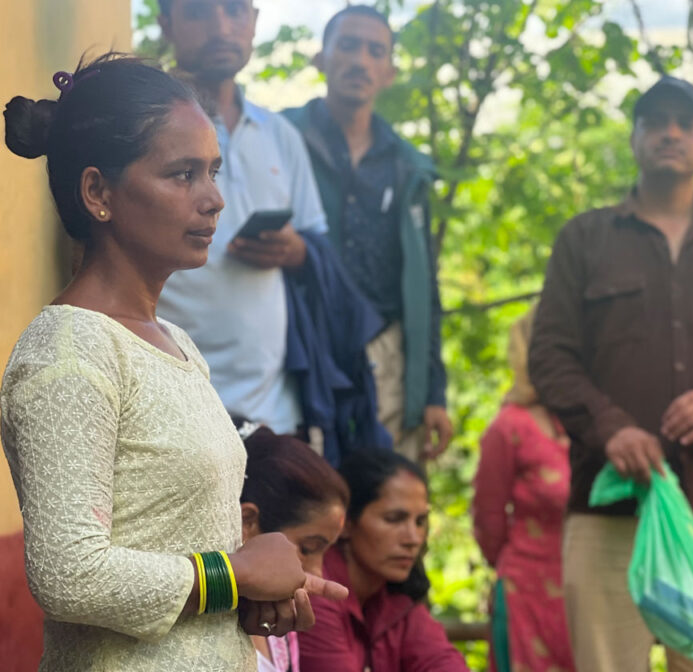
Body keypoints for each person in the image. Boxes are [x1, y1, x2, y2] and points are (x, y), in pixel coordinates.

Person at [0, 54, 345, 671]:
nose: (213, 199)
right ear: (98, 192)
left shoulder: (175, 344)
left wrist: (243, 597)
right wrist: (233, 576)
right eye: (182, 174)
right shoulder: (69, 353)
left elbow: (174, 552)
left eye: (213, 171)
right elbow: (67, 573)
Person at [529, 76, 693, 672]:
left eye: (686, 123)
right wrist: (610, 428)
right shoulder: (585, 239)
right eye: (655, 122)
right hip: (608, 507)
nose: (670, 133)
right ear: (635, 138)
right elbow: (550, 356)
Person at [282, 5, 452, 461]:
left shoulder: (406, 166)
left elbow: (424, 289)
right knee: (304, 494)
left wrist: (434, 391)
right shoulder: (281, 138)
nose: (361, 60)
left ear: (390, 72)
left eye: (376, 51)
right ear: (322, 58)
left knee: (387, 492)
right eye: (348, 45)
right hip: (299, 341)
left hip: (387, 351)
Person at [155, 0, 329, 436]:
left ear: (253, 21)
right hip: (174, 409)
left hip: (274, 415)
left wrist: (296, 251)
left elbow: (317, 246)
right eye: (198, 12)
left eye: (234, 10)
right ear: (166, 25)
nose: (220, 26)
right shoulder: (144, 133)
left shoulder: (281, 137)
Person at [299, 450, 469, 671]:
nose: (413, 538)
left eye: (420, 521)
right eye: (394, 519)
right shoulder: (317, 591)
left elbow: (441, 661)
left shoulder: (394, 595)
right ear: (345, 523)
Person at [473, 308, 575, 672]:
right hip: (528, 594)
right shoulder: (509, 428)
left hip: (590, 588)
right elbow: (488, 518)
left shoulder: (590, 423)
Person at [240, 425, 350, 672]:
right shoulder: (203, 613)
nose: (318, 572)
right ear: (248, 521)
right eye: (308, 548)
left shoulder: (281, 627)